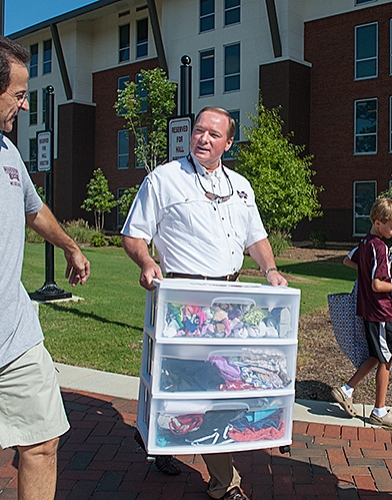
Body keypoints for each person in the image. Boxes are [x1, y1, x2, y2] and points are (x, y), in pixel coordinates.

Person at [122, 106, 287, 500]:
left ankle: (160, 437)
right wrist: (146, 261)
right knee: (197, 384)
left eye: (214, 134)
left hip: (230, 302)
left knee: (211, 385)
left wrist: (270, 270)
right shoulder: (164, 179)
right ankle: (223, 484)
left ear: (228, 143)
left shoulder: (242, 187)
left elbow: (256, 239)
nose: (203, 139)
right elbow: (134, 234)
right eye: (199, 131)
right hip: (183, 300)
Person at [0, 36, 91, 500]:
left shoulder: (8, 152)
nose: (26, 103)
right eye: (17, 94)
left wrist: (71, 246)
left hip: (14, 334)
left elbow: (34, 211)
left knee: (43, 442)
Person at [332, 197, 392, 428]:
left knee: (375, 354)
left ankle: (346, 389)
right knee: (385, 359)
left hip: (368, 309)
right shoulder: (379, 247)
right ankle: (379, 411)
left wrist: (366, 271)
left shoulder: (365, 243)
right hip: (380, 311)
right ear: (378, 223)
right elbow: (378, 285)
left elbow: (347, 260)